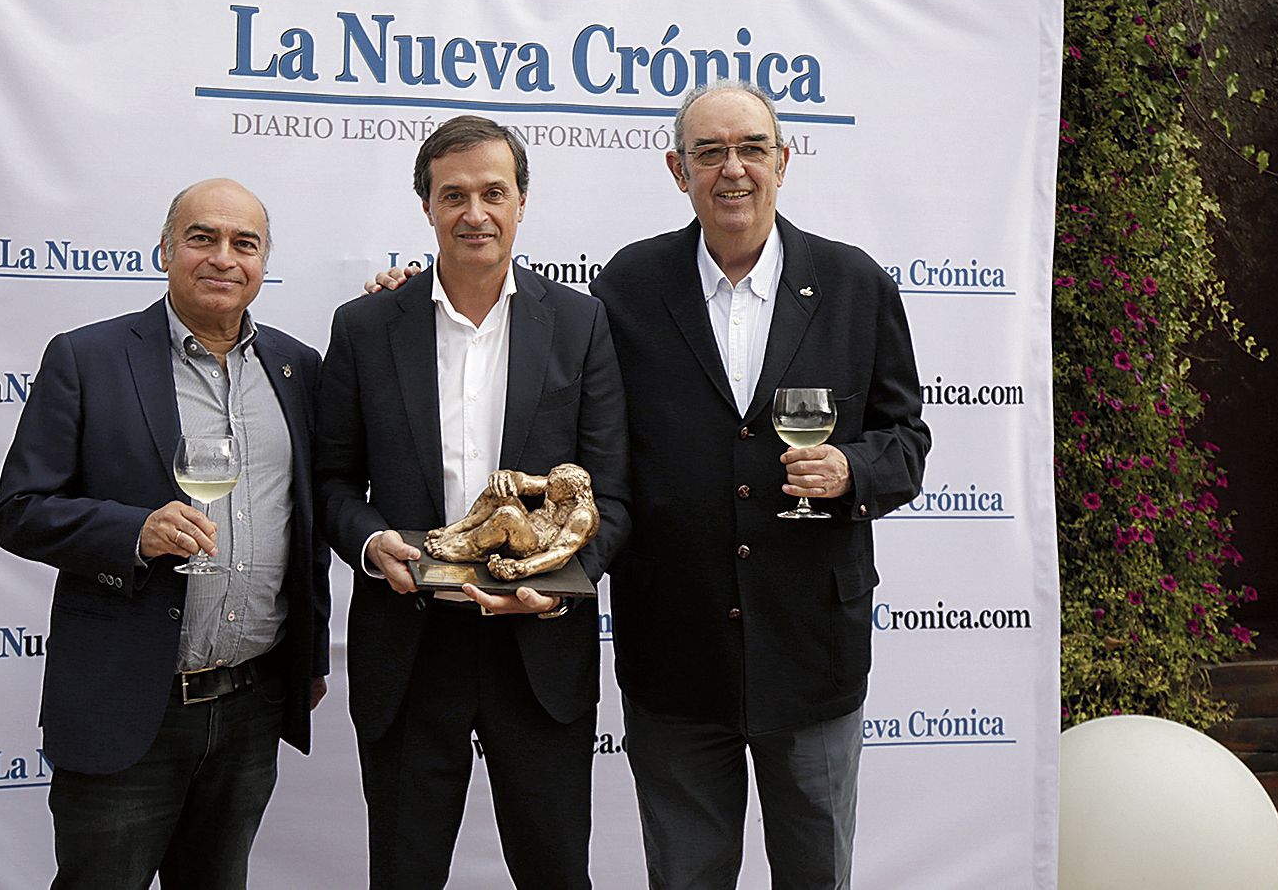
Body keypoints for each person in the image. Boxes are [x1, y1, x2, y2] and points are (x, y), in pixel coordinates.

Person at [588, 80, 930, 890]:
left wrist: (852, 469)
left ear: (784, 160)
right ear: (678, 170)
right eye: (709, 152)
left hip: (812, 652)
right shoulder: (629, 285)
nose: (731, 169)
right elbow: (556, 380)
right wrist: (416, 300)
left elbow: (906, 438)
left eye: (750, 148)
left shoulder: (854, 284)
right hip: (675, 655)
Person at [0, 178, 330, 890]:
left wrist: (310, 655)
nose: (223, 257)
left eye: (245, 242)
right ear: (166, 249)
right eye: (202, 237)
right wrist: (132, 531)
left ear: (264, 261)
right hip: (127, 705)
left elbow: (310, 520)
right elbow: (17, 508)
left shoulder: (298, 369)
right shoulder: (88, 358)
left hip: (249, 705)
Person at [316, 115, 630, 890]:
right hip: (409, 643)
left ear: (522, 201)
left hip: (538, 648)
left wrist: (558, 582)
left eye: (493, 191)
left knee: (556, 872)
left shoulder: (580, 323)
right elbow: (329, 484)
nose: (474, 212)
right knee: (404, 870)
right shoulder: (363, 327)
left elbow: (611, 494)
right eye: (452, 194)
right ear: (425, 205)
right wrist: (369, 542)